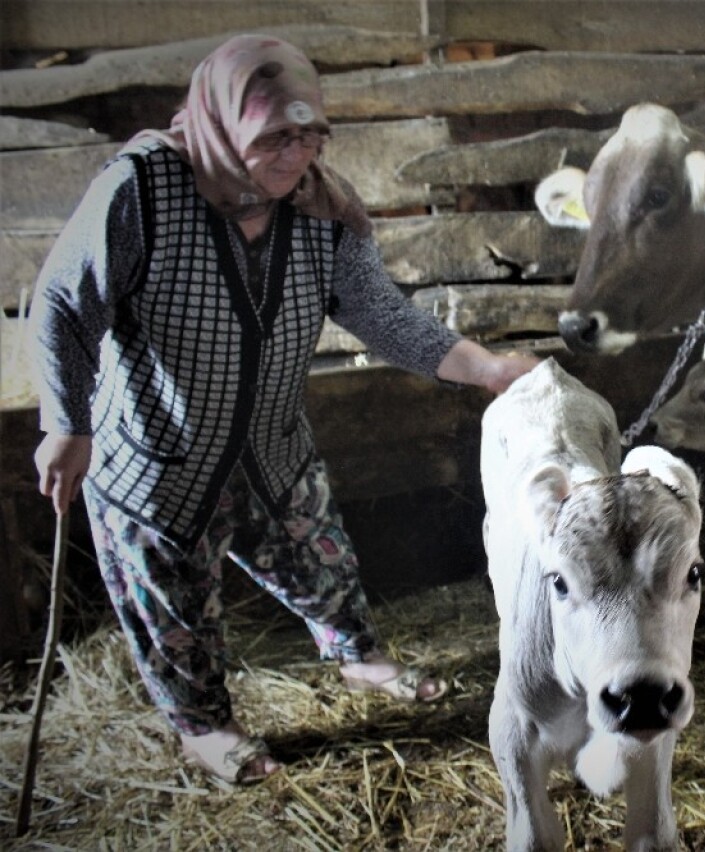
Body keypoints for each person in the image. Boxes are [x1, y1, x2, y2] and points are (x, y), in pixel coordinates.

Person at [29, 34, 540, 785]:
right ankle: (206, 727)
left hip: (271, 448)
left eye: (309, 135)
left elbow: (382, 315)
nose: (296, 154)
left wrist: (489, 369)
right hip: (157, 460)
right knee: (175, 612)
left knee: (321, 558)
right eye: (274, 136)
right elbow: (67, 304)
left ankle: (356, 658)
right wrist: (65, 425)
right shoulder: (142, 192)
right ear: (222, 126)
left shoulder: (320, 210)